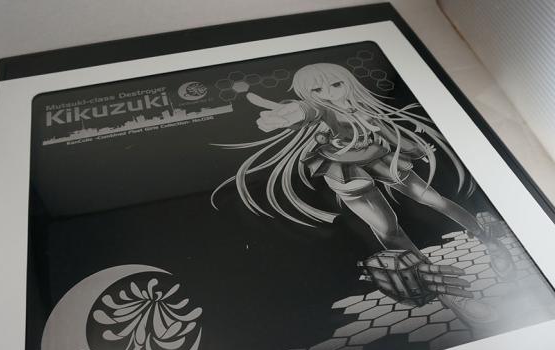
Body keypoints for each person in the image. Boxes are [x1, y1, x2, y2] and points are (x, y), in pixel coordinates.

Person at [212, 63, 514, 288]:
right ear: (307, 94)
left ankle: (489, 240)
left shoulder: (363, 107)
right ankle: (425, 272)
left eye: (335, 85)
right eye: (317, 90)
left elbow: (386, 132)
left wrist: (413, 148)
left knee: (435, 200)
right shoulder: (321, 110)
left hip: (381, 158)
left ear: (348, 83)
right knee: (387, 228)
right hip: (344, 169)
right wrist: (285, 117)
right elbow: (306, 112)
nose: (328, 94)